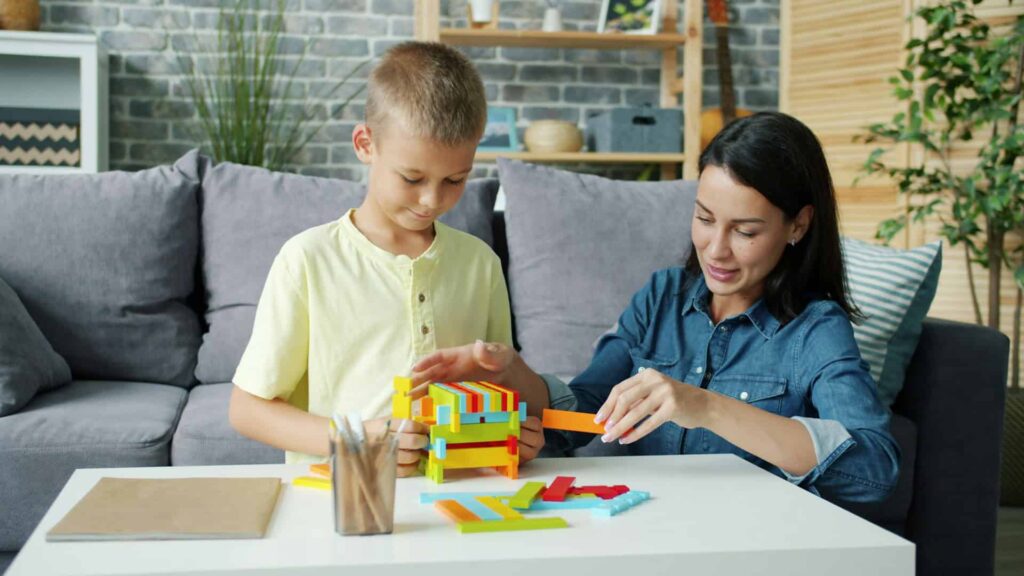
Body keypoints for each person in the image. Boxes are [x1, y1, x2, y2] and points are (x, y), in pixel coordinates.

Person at [411, 112, 900, 502]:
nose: (716, 249)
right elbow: (585, 412)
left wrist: (705, 406)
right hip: (640, 530)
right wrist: (514, 372)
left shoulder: (815, 331)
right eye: (704, 219)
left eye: (745, 231)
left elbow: (875, 471)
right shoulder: (662, 297)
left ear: (797, 225)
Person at [229, 41, 544, 475]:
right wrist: (361, 438)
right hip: (343, 499)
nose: (432, 200)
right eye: (412, 178)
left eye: (456, 179)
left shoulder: (480, 264)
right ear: (365, 144)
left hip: (459, 493)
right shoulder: (307, 259)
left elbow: (499, 394)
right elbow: (247, 409)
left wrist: (512, 435)